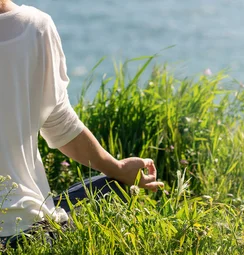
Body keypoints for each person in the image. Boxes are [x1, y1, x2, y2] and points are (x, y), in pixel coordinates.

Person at [0, 0, 164, 247]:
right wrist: (118, 168)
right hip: (24, 230)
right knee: (115, 188)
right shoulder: (35, 28)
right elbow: (60, 125)